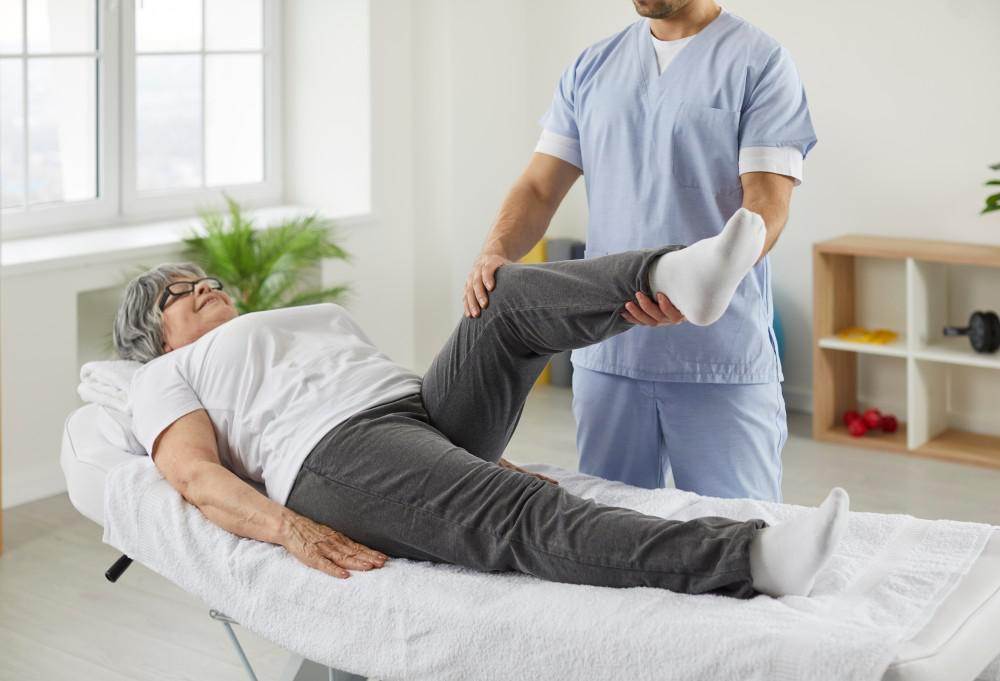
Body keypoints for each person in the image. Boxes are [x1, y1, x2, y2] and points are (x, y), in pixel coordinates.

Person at [114, 212, 846, 599]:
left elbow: (374, 379)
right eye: (178, 294)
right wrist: (287, 528)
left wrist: (483, 454)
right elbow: (193, 476)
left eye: (198, 278)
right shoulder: (165, 376)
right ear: (157, 336)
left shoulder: (288, 319)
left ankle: (675, 274)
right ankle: (749, 557)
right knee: (520, 514)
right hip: (332, 455)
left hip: (416, 410)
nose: (200, 286)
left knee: (503, 300)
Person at [463, 0, 817, 501]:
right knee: (612, 539)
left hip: (716, 357)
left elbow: (767, 202)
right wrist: (495, 251)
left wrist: (707, 278)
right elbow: (541, 188)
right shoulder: (592, 67)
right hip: (609, 352)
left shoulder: (758, 62)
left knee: (740, 540)